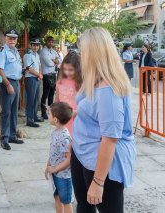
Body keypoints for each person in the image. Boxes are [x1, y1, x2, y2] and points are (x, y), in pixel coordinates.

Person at [71, 27, 136, 213]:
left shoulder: (108, 90)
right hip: (83, 153)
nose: (80, 55)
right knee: (84, 206)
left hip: (100, 161)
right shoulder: (94, 79)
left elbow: (110, 138)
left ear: (94, 53)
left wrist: (98, 182)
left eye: (83, 51)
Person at [0, 29, 24, 150]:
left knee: (13, 111)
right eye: (10, 38)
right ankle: (4, 138)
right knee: (6, 112)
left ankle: (12, 135)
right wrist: (7, 85)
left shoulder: (16, 51)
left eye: (14, 38)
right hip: (6, 83)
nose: (12, 40)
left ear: (16, 40)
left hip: (16, 82)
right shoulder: (2, 51)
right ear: (6, 39)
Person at [45, 102, 74, 213]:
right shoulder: (55, 132)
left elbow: (69, 159)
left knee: (66, 202)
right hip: (55, 173)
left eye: (49, 114)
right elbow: (53, 152)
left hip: (64, 176)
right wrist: (48, 166)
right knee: (56, 198)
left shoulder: (64, 137)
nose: (47, 116)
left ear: (56, 119)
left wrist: (55, 169)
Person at [55, 50, 82, 137]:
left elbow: (89, 105)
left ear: (78, 69)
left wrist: (76, 112)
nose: (67, 72)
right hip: (64, 121)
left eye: (71, 70)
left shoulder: (82, 83)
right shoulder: (60, 82)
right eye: (65, 69)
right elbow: (57, 101)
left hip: (79, 121)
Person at [23, 37, 44, 127]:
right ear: (31, 45)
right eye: (34, 45)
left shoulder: (37, 55)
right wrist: (38, 75)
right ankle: (29, 119)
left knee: (36, 99)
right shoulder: (28, 55)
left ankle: (34, 116)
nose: (36, 47)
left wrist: (40, 74)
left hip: (36, 78)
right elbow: (29, 69)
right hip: (30, 78)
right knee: (30, 100)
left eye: (37, 45)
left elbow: (39, 65)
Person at [40, 36, 61, 120]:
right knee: (45, 94)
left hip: (53, 74)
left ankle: (50, 112)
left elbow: (60, 60)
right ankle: (43, 112)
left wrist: (54, 60)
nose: (51, 43)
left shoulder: (53, 51)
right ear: (46, 42)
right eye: (49, 41)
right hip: (46, 75)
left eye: (52, 42)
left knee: (51, 95)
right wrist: (54, 61)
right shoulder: (43, 51)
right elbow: (49, 64)